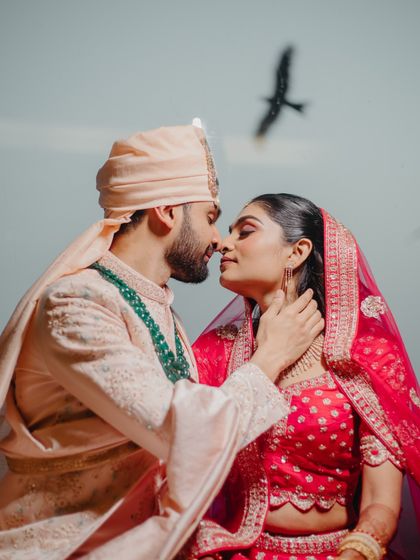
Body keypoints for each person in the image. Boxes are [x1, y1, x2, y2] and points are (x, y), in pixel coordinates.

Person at [0, 128, 324, 560]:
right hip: (66, 546)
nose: (217, 240)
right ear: (167, 211)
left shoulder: (162, 311)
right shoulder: (76, 304)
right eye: (211, 218)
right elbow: (179, 431)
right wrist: (271, 358)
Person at [187, 193, 420, 560]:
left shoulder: (362, 358)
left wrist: (357, 552)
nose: (223, 244)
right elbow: (183, 463)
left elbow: (381, 503)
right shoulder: (214, 354)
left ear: (296, 252)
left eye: (245, 231)